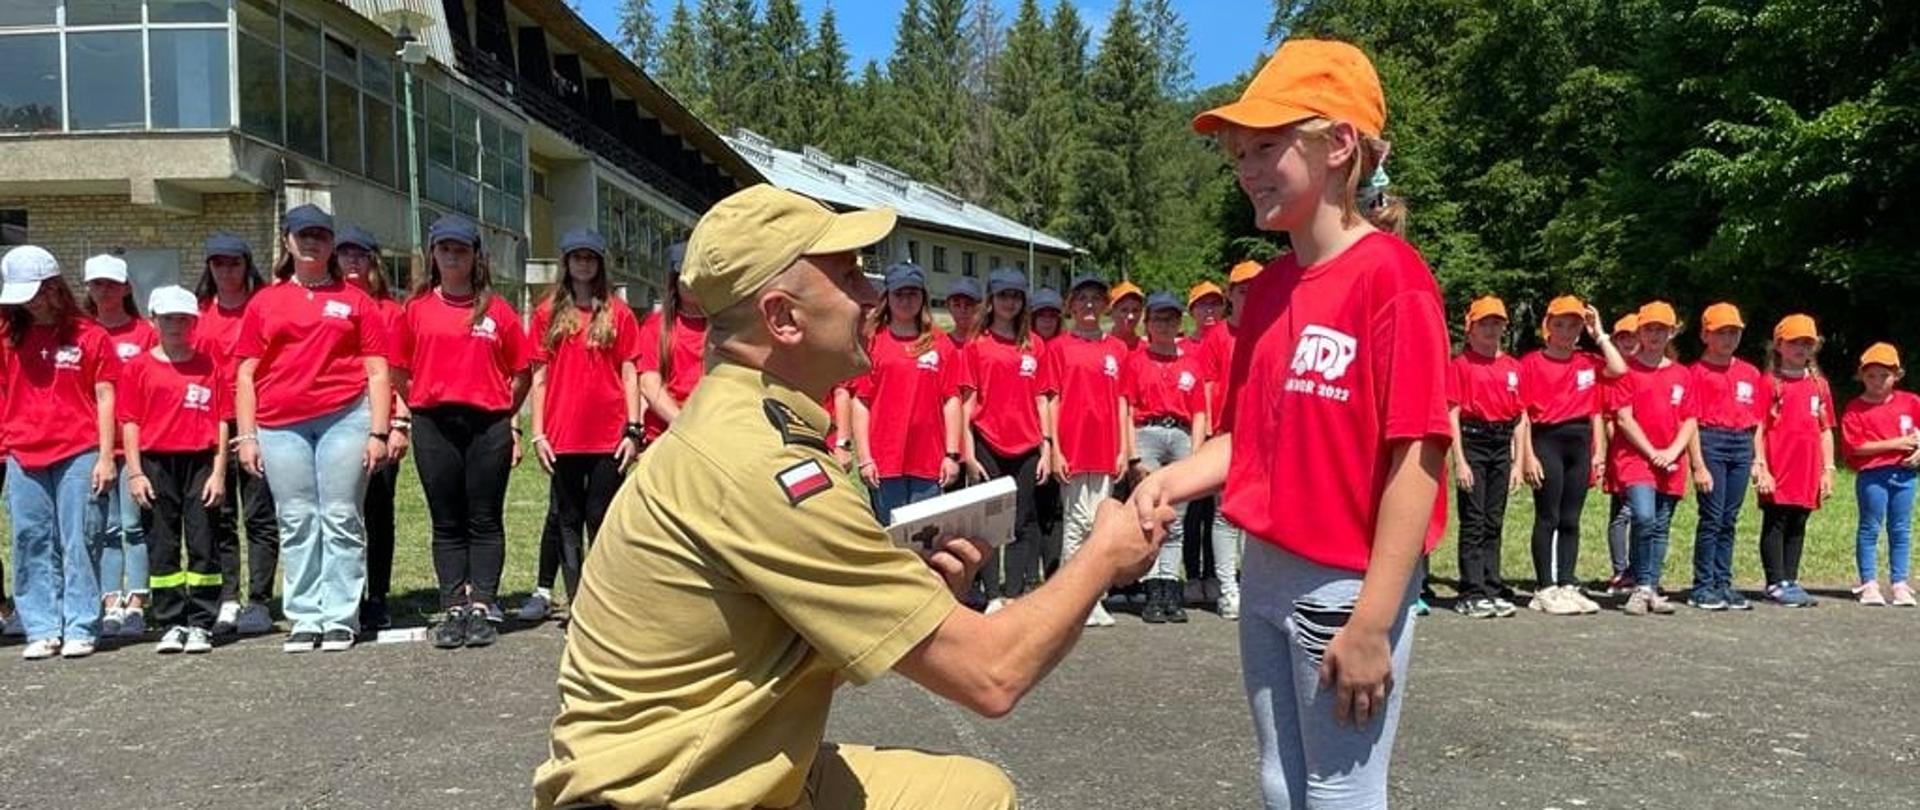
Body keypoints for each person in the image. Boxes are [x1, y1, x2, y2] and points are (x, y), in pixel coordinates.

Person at [531, 183, 1168, 810]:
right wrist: (1103, 557)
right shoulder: (764, 465)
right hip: (671, 793)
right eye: (849, 277)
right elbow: (993, 674)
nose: (874, 295)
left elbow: (769, 652)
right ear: (782, 318)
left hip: (711, 762)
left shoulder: (746, 426)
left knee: (976, 793)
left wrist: (905, 597)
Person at [1133, 39, 1452, 808]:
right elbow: (1251, 435)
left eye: (1266, 146)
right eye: (1238, 153)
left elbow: (1418, 457)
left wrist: (1375, 620)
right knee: (1281, 784)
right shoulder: (1272, 289)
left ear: (1339, 145)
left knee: (1341, 792)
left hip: (1345, 586)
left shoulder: (1393, 281)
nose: (1245, 168)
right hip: (1266, 574)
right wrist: (1170, 478)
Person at [234, 203, 392, 653]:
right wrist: (246, 436)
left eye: (321, 236)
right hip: (280, 424)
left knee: (341, 515)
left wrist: (378, 432)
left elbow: (377, 371)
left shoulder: (356, 301)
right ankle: (305, 614)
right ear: (287, 241)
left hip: (345, 417)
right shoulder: (265, 302)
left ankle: (341, 615)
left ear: (332, 246)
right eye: (303, 235)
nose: (312, 243)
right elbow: (245, 374)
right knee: (297, 518)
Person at [394, 214, 531, 649]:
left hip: (487, 423)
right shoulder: (415, 310)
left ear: (476, 258)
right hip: (435, 423)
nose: (453, 256)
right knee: (447, 519)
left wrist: (503, 412)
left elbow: (522, 370)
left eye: (461, 250)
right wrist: (419, 399)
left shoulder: (498, 311)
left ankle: (483, 605)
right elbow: (398, 369)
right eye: (445, 248)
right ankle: (454, 604)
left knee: (485, 517)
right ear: (433, 255)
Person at [1, 245, 117, 659]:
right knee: (30, 538)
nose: (28, 303)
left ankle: (81, 623)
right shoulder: (7, 333)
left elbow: (105, 396)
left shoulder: (90, 335)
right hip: (22, 452)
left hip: (78, 449)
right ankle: (42, 626)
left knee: (80, 537)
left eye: (34, 293)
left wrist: (106, 456)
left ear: (54, 288)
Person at [523, 228, 643, 622]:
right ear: (567, 262)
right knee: (568, 519)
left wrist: (633, 429)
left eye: (590, 258)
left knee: (602, 518)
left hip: (608, 435)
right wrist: (538, 432)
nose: (584, 264)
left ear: (599, 263)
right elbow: (538, 378)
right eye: (577, 258)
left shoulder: (618, 313)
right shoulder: (547, 313)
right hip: (563, 435)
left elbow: (630, 373)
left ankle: (606, 600)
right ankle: (576, 603)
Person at [120, 286, 228, 654]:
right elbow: (130, 422)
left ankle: (201, 621)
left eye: (183, 319)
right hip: (156, 463)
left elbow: (221, 422)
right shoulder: (138, 367)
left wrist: (219, 472)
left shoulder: (208, 365)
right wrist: (135, 473)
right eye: (168, 319)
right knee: (162, 544)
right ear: (154, 321)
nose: (176, 326)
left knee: (203, 542)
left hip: (199, 461)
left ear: (194, 322)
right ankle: (171, 620)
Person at [1519, 295, 1626, 615]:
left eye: (1574, 325)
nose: (1567, 332)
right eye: (1560, 325)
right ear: (1547, 327)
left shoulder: (1587, 363)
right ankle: (1544, 587)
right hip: (1546, 439)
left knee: (1571, 518)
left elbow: (1619, 369)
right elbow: (1522, 414)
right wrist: (1527, 456)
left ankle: (1566, 582)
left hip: (1579, 443)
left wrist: (1600, 334)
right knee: (1548, 515)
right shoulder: (1531, 363)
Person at [194, 232, 279, 636]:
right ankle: (228, 597)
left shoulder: (261, 308)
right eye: (218, 263)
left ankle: (259, 599)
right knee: (219, 518)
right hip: (211, 427)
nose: (226, 271)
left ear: (247, 266)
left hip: (258, 424)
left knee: (260, 516)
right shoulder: (198, 314)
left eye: (234, 263)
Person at [959, 267, 1054, 614]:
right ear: (992, 300)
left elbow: (1043, 399)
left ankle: (1012, 593)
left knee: (1020, 521)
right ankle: (991, 591)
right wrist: (968, 453)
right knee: (988, 523)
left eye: (1016, 296)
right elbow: (967, 402)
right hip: (987, 442)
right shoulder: (976, 345)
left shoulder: (1034, 345)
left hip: (1028, 446)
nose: (1009, 303)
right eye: (1003, 296)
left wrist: (1047, 447)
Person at [1048, 273, 1132, 627]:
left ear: (1104, 306)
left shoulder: (1117, 349)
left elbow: (1125, 402)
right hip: (1073, 446)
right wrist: (1055, 450)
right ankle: (1074, 601)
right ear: (1071, 304)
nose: (1088, 305)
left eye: (1095, 299)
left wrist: (1124, 450)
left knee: (1100, 526)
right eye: (1081, 298)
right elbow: (1051, 399)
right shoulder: (1059, 347)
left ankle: (1094, 597)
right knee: (1076, 524)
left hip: (1106, 448)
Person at [850, 263, 964, 524]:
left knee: (926, 539)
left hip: (929, 460)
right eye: (899, 294)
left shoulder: (939, 342)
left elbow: (952, 401)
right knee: (892, 540)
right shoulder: (873, 342)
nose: (906, 300)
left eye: (913, 293)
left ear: (923, 297)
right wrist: (865, 458)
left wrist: (951, 454)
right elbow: (861, 402)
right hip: (885, 461)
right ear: (887, 297)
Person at [337, 225, 410, 632]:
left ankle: (377, 595)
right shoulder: (330, 304)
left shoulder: (390, 312)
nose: (352, 261)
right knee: (340, 512)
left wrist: (399, 424)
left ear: (373, 263)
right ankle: (344, 594)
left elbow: (400, 375)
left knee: (378, 512)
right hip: (335, 421)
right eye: (345, 253)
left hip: (379, 421)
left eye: (360, 255)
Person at [1609, 301, 1697, 616]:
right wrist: (1652, 453)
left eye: (1662, 328)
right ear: (1640, 332)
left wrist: (1672, 452)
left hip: (1671, 459)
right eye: (1649, 328)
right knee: (1643, 516)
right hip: (1636, 458)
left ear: (1672, 332)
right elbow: (1623, 418)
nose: (1655, 334)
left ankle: (1650, 587)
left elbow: (1689, 419)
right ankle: (1637, 584)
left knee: (1660, 525)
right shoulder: (1627, 371)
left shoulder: (1682, 374)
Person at [85, 253, 157, 638]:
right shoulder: (81, 331)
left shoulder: (144, 332)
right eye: (96, 284)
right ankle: (110, 599)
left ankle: (138, 601)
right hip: (94, 446)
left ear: (126, 288)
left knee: (134, 525)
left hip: (134, 445)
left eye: (111, 284)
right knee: (106, 528)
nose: (103, 291)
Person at [1125, 291, 1208, 624]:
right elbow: (1128, 408)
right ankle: (1152, 587)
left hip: (1182, 435)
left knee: (1176, 517)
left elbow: (1201, 411)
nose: (1165, 325)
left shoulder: (1190, 362)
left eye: (1171, 319)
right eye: (1158, 318)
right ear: (1148, 323)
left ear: (1179, 324)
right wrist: (1132, 453)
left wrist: (1198, 454)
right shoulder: (1137, 360)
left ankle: (1171, 585)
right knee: (1150, 515)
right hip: (1148, 432)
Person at [1448, 295, 1524, 619]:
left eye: (1497, 323)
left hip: (1500, 442)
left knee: (1495, 519)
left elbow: (1519, 416)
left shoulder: (1512, 367)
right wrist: (1460, 459)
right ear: (1471, 328)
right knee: (1474, 519)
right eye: (1485, 323)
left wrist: (1519, 460)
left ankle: (1492, 585)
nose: (1491, 329)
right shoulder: (1461, 365)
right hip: (1473, 440)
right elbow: (1451, 412)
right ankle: (1471, 589)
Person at [1685, 303, 1763, 611]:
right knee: (1712, 517)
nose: (1728, 339)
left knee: (1730, 519)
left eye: (1734, 333)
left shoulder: (1749, 372)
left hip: (1741, 443)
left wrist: (1757, 458)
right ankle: (1703, 585)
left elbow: (1757, 420)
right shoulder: (1695, 374)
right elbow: (1689, 422)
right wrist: (1698, 464)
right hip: (1710, 440)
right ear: (1705, 335)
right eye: (1721, 333)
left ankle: (1723, 583)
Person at [1754, 314, 1832, 608]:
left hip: (1807, 467)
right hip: (1778, 466)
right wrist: (1761, 465)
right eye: (1795, 342)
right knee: (1776, 521)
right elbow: (1758, 427)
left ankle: (1790, 578)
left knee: (1799, 522)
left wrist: (1828, 469)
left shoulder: (1818, 385)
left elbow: (1825, 429)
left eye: (1807, 343)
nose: (1801, 348)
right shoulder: (1770, 383)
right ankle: (1775, 581)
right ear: (1779, 345)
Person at [1839, 342, 1920, 607]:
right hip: (1873, 475)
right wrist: (1896, 443)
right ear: (1861, 375)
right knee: (1870, 527)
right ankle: (1869, 583)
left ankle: (1899, 583)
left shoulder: (1911, 402)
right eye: (1870, 375)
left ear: (1897, 375)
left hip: (1905, 475)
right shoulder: (1855, 408)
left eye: (1884, 375)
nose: (1877, 381)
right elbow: (1856, 446)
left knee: (1901, 528)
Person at [1182, 279, 1231, 607]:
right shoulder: (1183, 345)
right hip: (1193, 431)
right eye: (1203, 305)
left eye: (1215, 303)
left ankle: (1214, 574)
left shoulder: (1225, 338)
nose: (1209, 310)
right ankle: (1193, 574)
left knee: (1218, 512)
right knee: (1191, 514)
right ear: (1192, 310)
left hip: (1214, 432)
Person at [635, 241, 705, 447]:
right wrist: (685, 426)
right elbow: (649, 385)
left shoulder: (724, 326)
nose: (692, 281)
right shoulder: (655, 326)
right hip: (664, 437)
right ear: (674, 280)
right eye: (685, 274)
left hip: (712, 433)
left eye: (698, 274)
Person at [1600, 315, 1641, 594]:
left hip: (1646, 453)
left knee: (1642, 513)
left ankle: (1637, 569)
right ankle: (1621, 569)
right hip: (1621, 453)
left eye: (1632, 336)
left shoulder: (1648, 369)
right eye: (1621, 337)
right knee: (1622, 513)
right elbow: (1607, 419)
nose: (1627, 342)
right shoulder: (1611, 373)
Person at [1028, 286, 1067, 580]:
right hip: (1030, 434)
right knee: (1030, 509)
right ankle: (1029, 573)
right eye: (1041, 313)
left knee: (1055, 510)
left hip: (1063, 433)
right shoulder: (1026, 345)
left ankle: (1052, 571)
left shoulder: (1065, 345)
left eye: (1053, 313)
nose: (1047, 319)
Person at [1107, 280, 1145, 353]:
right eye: (1124, 310)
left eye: (1135, 310)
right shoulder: (1101, 347)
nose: (1131, 316)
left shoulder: (1147, 349)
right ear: (1112, 312)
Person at [945, 276, 982, 348]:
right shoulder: (939, 345)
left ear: (979, 308)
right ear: (949, 307)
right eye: (957, 305)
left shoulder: (988, 344)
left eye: (969, 304)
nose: (963, 310)